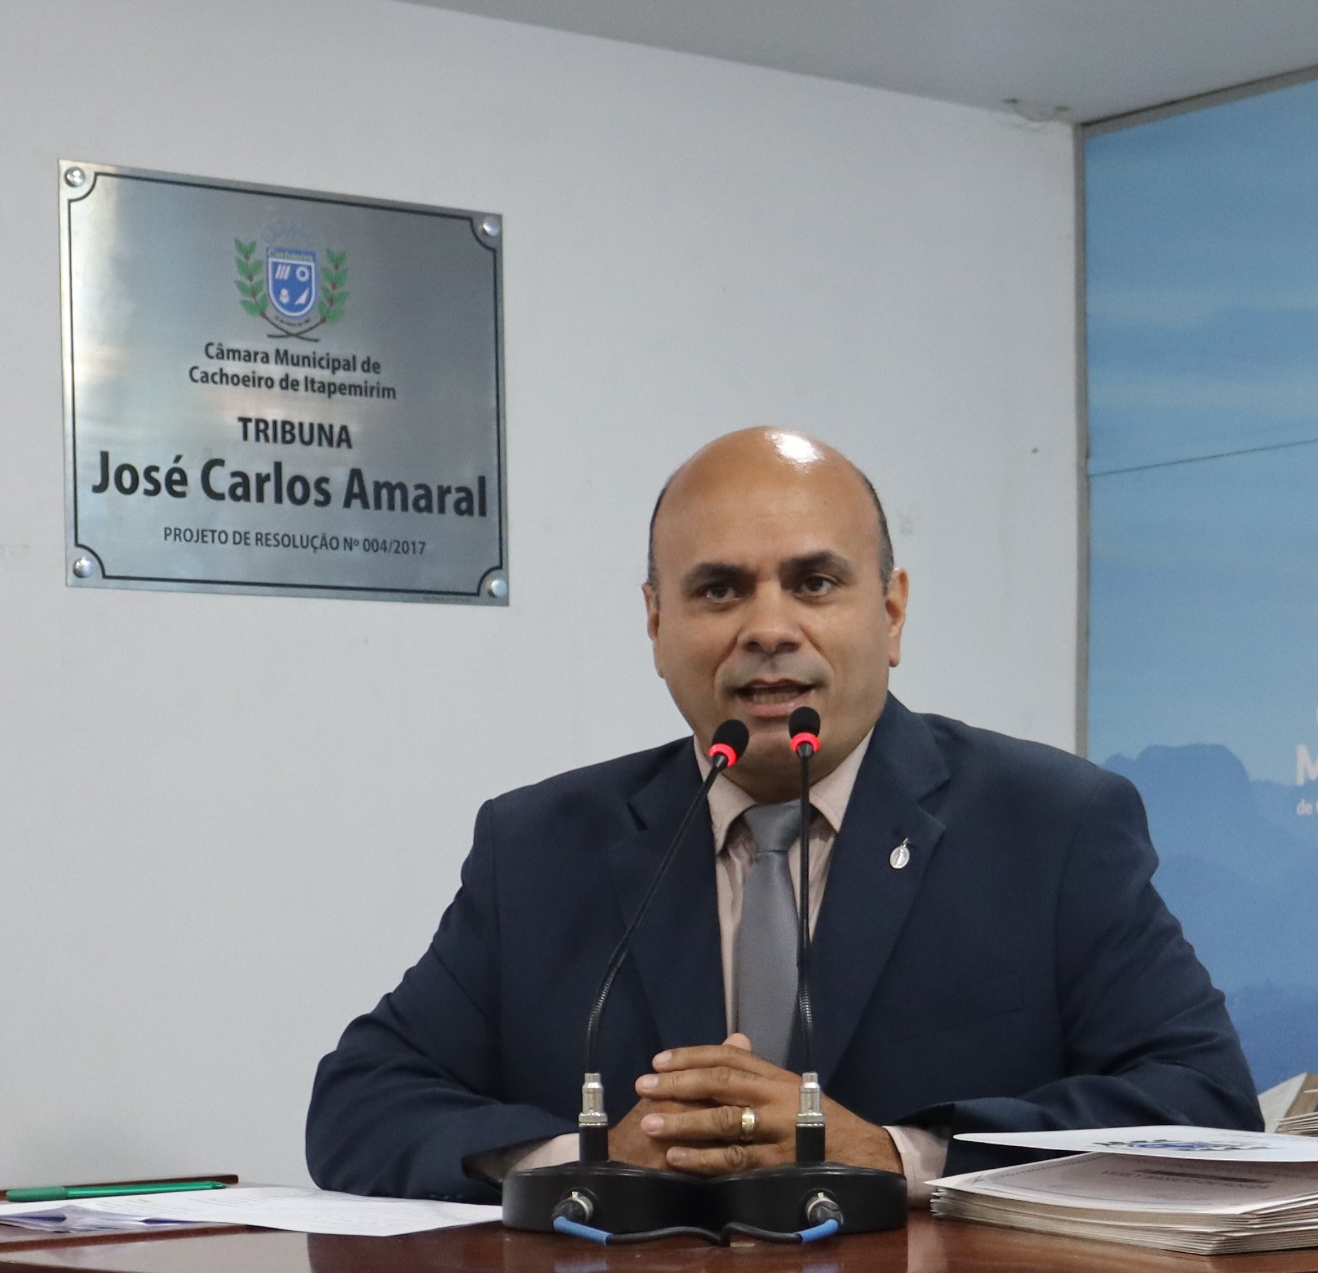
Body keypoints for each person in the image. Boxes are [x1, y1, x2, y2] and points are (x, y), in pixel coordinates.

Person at [309, 427, 1257, 1201]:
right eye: (719, 589)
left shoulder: (1051, 826)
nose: (767, 628)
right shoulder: (538, 848)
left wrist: (895, 1155)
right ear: (656, 623)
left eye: (814, 583)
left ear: (891, 613)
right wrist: (587, 1164)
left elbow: (1205, 1107)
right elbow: (361, 1101)